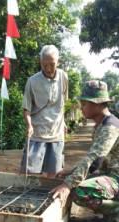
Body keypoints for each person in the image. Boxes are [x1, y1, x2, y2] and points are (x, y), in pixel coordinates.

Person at [51, 80, 119, 222]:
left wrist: (68, 184)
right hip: (112, 175)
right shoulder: (102, 125)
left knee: (78, 191)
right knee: (70, 181)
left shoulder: (110, 127)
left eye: (85, 103)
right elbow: (92, 159)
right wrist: (70, 172)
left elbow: (94, 162)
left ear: (98, 104)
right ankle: (110, 209)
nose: (81, 107)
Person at [21, 45, 69, 178]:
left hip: (56, 133)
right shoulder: (32, 81)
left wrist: (63, 122)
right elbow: (26, 108)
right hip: (37, 132)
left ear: (58, 62)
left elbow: (62, 103)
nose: (48, 68)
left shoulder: (63, 77)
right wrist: (29, 125)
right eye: (44, 64)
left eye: (52, 64)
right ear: (40, 62)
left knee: (53, 172)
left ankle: (48, 197)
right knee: (30, 172)